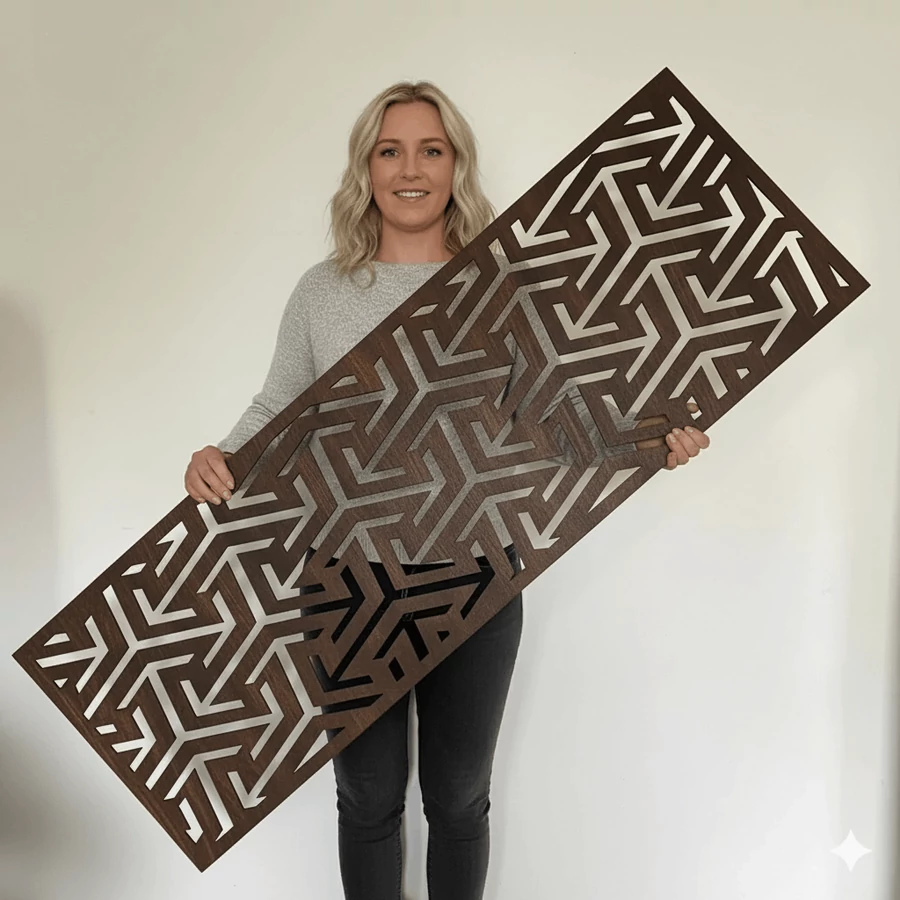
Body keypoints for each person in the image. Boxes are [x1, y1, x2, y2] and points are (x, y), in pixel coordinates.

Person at [184, 81, 710, 900]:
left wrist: (653, 445)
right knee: (367, 800)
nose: (410, 169)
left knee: (459, 801)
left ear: (456, 165)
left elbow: (560, 419)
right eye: (389, 151)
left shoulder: (500, 288)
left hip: (476, 581)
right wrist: (218, 456)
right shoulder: (324, 291)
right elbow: (278, 405)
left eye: (431, 150)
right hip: (347, 584)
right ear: (365, 169)